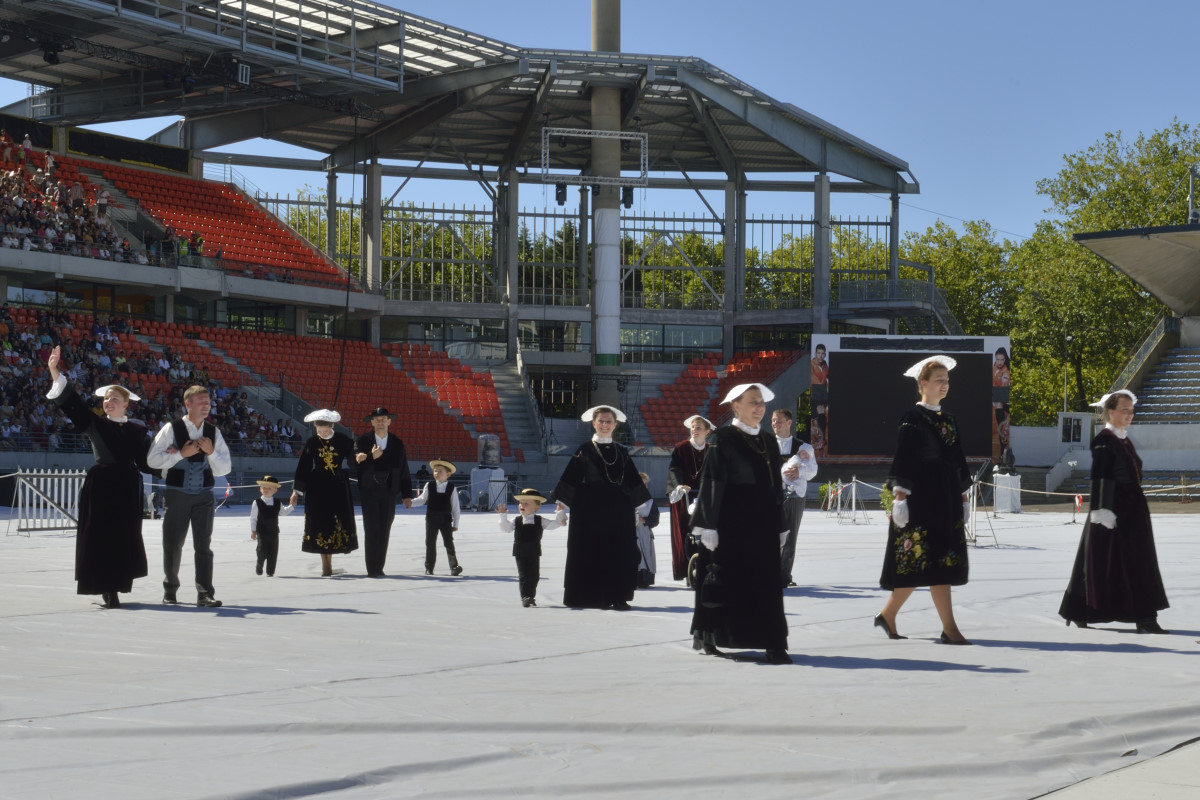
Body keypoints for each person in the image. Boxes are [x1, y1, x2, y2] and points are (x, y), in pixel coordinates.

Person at [874, 356, 973, 644]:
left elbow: (958, 461)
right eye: (939, 380)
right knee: (919, 561)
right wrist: (900, 497)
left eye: (947, 380)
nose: (945, 385)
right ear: (923, 384)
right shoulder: (912, 418)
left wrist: (964, 497)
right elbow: (905, 458)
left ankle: (890, 616)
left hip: (946, 498)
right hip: (920, 498)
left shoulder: (950, 420)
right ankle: (948, 628)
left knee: (938, 561)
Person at [690, 383, 790, 664]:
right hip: (730, 525)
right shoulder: (723, 438)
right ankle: (710, 635)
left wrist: (781, 523)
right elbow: (713, 481)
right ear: (735, 405)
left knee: (766, 582)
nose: (759, 407)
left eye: (761, 403)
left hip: (764, 525)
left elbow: (776, 485)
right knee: (725, 581)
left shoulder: (769, 441)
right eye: (752, 402)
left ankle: (773, 642)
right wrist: (708, 524)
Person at [45, 346, 152, 609]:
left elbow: (147, 462)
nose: (109, 401)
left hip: (127, 486)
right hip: (102, 485)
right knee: (101, 535)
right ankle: (106, 588)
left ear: (126, 404)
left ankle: (118, 584)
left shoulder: (138, 430)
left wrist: (174, 454)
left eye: (115, 398)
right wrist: (54, 370)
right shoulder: (96, 424)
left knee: (124, 535)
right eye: (106, 399)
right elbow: (73, 405)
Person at [1059, 390, 1169, 633]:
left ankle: (1080, 610)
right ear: (1111, 412)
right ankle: (1144, 617)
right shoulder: (1105, 440)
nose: (1129, 414)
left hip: (1131, 507)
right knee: (1114, 562)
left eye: (1131, 410)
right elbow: (1101, 476)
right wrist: (1102, 510)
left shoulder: (1122, 439)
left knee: (1104, 562)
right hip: (1113, 508)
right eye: (1124, 410)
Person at [553, 405, 651, 610]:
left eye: (609, 421)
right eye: (601, 421)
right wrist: (561, 509)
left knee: (619, 551)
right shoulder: (584, 449)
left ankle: (619, 596)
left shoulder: (622, 451)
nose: (605, 425)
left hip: (618, 509)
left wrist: (638, 509)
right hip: (589, 509)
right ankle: (589, 597)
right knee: (590, 550)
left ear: (615, 425)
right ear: (594, 423)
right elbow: (570, 479)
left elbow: (633, 481)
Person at [148, 384, 232, 608]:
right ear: (188, 404)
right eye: (202, 402)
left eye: (208, 402)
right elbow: (152, 460)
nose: (207, 405)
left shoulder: (213, 432)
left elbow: (225, 468)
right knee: (172, 544)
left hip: (204, 495)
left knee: (204, 546)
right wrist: (180, 455)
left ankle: (205, 593)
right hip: (177, 494)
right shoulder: (171, 429)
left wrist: (211, 452)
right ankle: (170, 590)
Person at [289, 409, 358, 577]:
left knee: (336, 523)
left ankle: (329, 562)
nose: (322, 433)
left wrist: (358, 458)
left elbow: (352, 457)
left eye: (325, 430)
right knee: (320, 522)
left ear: (332, 426)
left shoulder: (343, 440)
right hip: (317, 486)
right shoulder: (312, 442)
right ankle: (325, 566)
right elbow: (304, 466)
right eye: (319, 430)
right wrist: (296, 491)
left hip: (338, 485)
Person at [354, 407, 414, 577]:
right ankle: (371, 569)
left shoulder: (397, 442)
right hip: (369, 492)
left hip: (389, 491)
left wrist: (407, 494)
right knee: (371, 528)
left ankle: (379, 567)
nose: (380, 421)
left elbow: (403, 469)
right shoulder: (363, 441)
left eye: (383, 418)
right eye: (377, 419)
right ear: (371, 422)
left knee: (384, 529)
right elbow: (354, 465)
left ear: (389, 421)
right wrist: (372, 457)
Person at [496, 488, 567, 607]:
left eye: (526, 503)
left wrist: (560, 514)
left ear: (536, 507)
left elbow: (554, 524)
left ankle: (531, 596)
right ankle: (525, 596)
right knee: (524, 575)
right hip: (520, 551)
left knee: (534, 575)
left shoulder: (540, 520)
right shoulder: (516, 520)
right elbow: (506, 529)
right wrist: (503, 516)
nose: (522, 505)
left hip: (534, 551)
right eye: (520, 503)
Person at [772, 408, 818, 587]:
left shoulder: (803, 447)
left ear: (789, 422)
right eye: (773, 421)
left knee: (790, 535)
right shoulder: (766, 444)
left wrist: (799, 470)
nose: (775, 424)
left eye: (779, 421)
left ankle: (784, 576)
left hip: (794, 496)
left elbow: (813, 471)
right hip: (771, 494)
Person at [666, 414, 713, 583]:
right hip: (685, 495)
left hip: (704, 496)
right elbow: (674, 469)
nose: (694, 430)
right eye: (693, 427)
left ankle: (707, 566)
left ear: (707, 431)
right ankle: (685, 568)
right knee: (684, 531)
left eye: (699, 427)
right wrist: (679, 485)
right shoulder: (681, 448)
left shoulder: (711, 449)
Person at [409, 459, 464, 576]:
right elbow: (422, 500)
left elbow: (455, 507)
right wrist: (411, 502)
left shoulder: (451, 487)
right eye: (435, 471)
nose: (436, 473)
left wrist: (456, 524)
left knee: (449, 543)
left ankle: (454, 566)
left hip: (445, 519)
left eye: (440, 471)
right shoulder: (429, 485)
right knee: (430, 543)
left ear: (448, 474)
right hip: (431, 519)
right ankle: (429, 567)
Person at [250, 475, 296, 577]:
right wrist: (253, 531)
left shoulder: (277, 502)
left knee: (273, 551)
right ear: (260, 489)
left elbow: (283, 512)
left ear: (275, 490)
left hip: (274, 531)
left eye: (269, 488)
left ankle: (270, 571)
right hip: (262, 531)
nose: (266, 490)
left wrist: (291, 506)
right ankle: (259, 563)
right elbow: (253, 518)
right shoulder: (257, 502)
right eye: (264, 488)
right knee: (262, 549)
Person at [635, 472, 660, 588]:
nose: (645, 487)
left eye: (646, 484)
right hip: (631, 534)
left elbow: (655, 518)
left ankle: (644, 579)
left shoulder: (649, 501)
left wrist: (644, 520)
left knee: (645, 557)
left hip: (644, 533)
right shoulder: (628, 498)